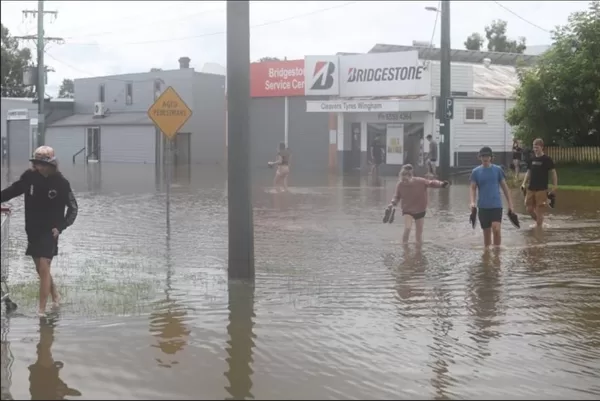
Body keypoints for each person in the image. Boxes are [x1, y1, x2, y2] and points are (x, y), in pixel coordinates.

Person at [0, 146, 78, 317]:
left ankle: (41, 310)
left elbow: (73, 208)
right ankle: (56, 295)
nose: (39, 167)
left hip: (51, 232)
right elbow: (12, 191)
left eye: (43, 163)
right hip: (33, 230)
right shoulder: (29, 178)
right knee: (41, 270)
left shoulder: (61, 183)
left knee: (44, 267)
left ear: (52, 164)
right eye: (36, 163)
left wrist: (61, 227)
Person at [387, 164, 449, 245]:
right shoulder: (400, 184)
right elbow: (397, 196)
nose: (404, 180)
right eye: (402, 177)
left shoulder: (420, 181)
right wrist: (392, 203)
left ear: (410, 176)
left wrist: (442, 184)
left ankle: (418, 250)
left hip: (420, 210)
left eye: (406, 178)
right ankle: (404, 246)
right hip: (407, 210)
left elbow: (432, 183)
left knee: (419, 234)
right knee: (407, 228)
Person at [469, 146, 514, 247]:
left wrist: (510, 205)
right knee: (487, 236)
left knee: (496, 229)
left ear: (491, 157)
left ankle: (497, 254)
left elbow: (505, 188)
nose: (485, 158)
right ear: (479, 157)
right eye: (483, 156)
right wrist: (472, 202)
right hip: (483, 206)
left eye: (487, 156)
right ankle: (487, 257)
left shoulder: (498, 170)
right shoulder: (475, 172)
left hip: (496, 205)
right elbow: (472, 188)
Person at [521, 138, 557, 228]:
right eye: (534, 147)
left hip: (542, 189)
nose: (535, 149)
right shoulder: (531, 159)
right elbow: (528, 172)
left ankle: (538, 233)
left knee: (539, 211)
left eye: (537, 147)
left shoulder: (547, 159)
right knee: (529, 209)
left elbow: (553, 173)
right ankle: (539, 224)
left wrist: (555, 186)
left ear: (542, 147)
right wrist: (523, 183)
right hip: (531, 188)